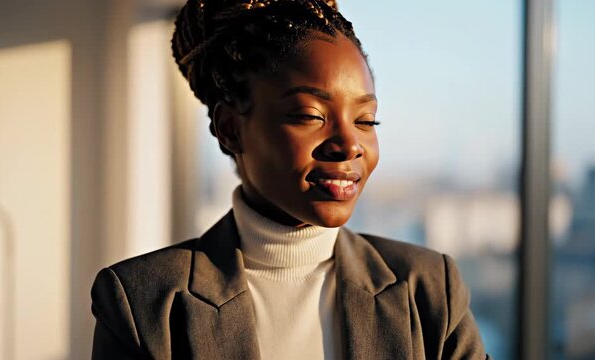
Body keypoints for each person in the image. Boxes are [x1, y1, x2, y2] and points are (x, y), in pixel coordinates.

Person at [90, 0, 491, 359]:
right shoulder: (143, 302)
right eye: (311, 115)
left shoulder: (429, 288)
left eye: (366, 120)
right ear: (230, 128)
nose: (350, 144)